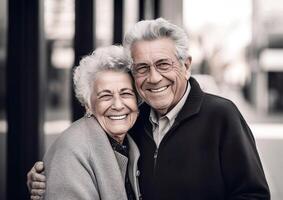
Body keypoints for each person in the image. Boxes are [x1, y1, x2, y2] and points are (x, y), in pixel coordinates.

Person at [28, 18, 270, 200]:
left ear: (186, 66)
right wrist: (46, 176)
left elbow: (253, 195)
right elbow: (82, 159)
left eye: (163, 64)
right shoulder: (132, 120)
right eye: (142, 68)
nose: (154, 78)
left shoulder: (221, 116)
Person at [27, 45, 141, 200]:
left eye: (126, 93)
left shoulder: (131, 139)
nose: (118, 105)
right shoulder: (72, 150)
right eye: (105, 96)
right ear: (88, 106)